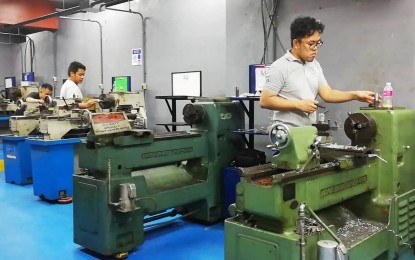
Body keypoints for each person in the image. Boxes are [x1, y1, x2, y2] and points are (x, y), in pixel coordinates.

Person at [260, 16, 375, 127]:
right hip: (287, 133)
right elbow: (265, 100)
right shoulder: (280, 67)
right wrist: (298, 104)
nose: (315, 48)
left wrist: (355, 95)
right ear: (296, 43)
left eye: (318, 43)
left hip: (308, 130)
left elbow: (328, 94)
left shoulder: (314, 65)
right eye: (311, 44)